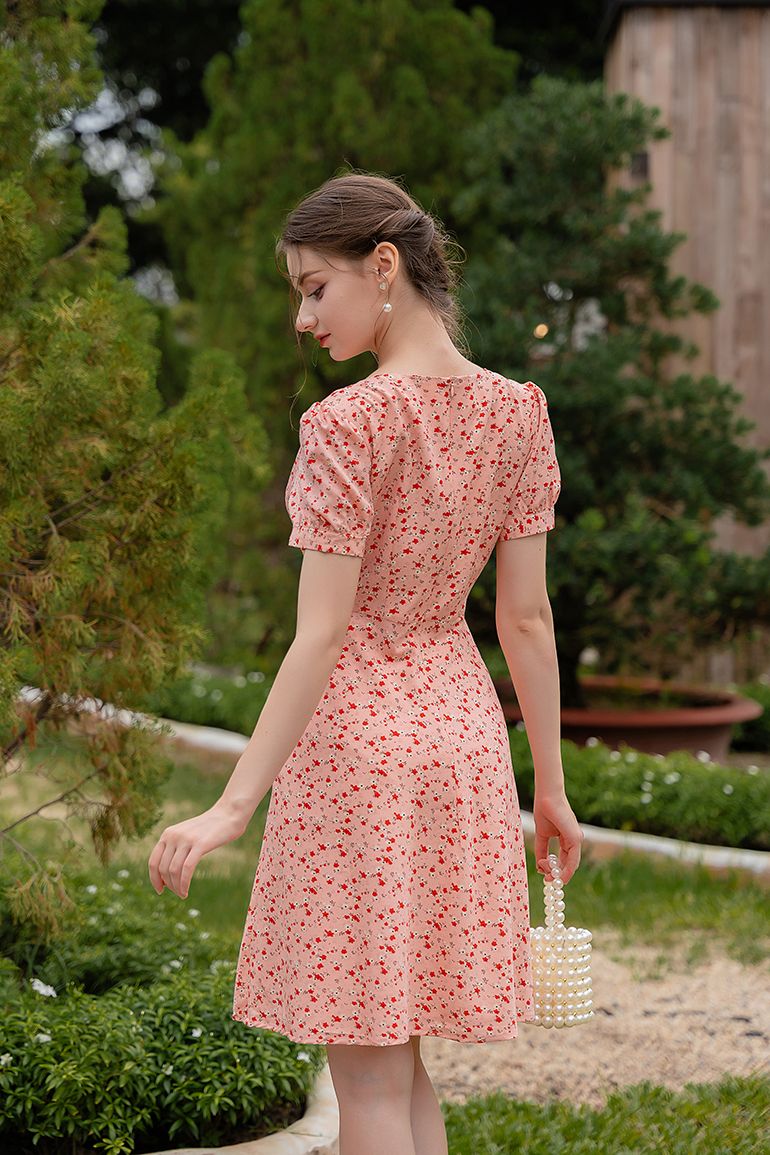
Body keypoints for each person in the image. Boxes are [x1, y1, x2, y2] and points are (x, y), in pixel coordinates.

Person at [148, 171, 583, 1155]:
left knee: (372, 1080)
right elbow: (525, 620)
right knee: (403, 1064)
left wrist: (231, 806)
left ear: (383, 266)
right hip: (461, 739)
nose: (303, 319)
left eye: (314, 288)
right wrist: (549, 789)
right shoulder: (518, 413)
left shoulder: (346, 423)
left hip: (358, 750)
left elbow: (321, 634)